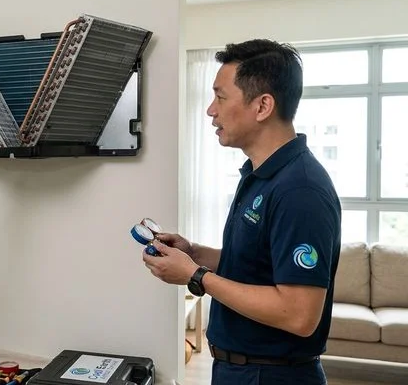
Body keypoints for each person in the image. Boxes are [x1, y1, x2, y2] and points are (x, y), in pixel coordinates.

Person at [142, 39, 341, 384]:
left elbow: (299, 314)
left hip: (272, 375)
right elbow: (258, 264)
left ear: (263, 106)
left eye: (220, 97)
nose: (210, 110)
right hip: (239, 369)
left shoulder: (300, 190)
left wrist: (196, 276)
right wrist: (194, 254)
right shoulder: (260, 174)